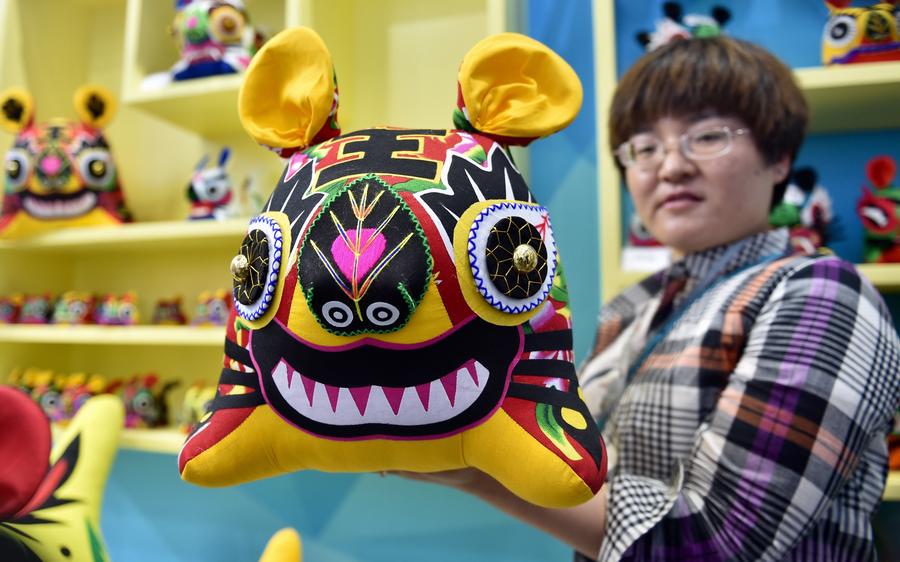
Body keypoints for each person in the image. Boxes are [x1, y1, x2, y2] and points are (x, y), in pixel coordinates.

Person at [395, 36, 900, 561]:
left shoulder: (819, 293)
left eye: (706, 137)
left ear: (778, 159)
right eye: (644, 147)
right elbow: (584, 466)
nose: (670, 166)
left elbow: (720, 545)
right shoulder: (633, 307)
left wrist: (477, 471)